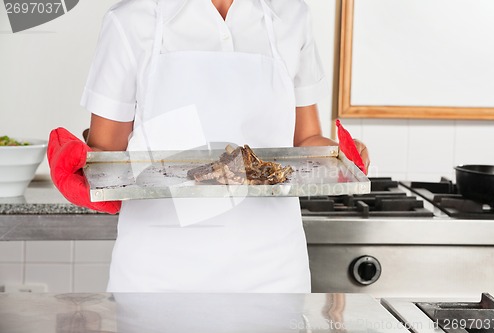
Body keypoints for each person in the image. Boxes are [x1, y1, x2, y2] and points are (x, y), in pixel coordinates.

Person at [48, 0, 369, 292]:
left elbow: (305, 141)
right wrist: (77, 163)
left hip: (272, 269)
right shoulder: (132, 19)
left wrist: (341, 158)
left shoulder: (290, 14)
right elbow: (108, 153)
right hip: (158, 274)